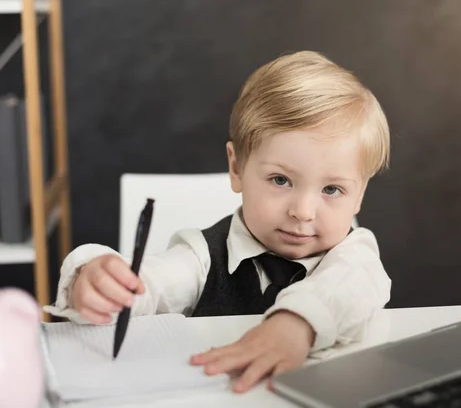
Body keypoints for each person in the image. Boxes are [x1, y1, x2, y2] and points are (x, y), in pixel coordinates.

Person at [45, 50, 392, 392]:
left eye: (332, 189)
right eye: (280, 180)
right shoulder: (202, 255)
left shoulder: (355, 258)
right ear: (237, 167)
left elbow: (353, 288)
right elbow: (152, 284)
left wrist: (297, 324)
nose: (303, 211)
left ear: (360, 194)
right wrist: (99, 280)